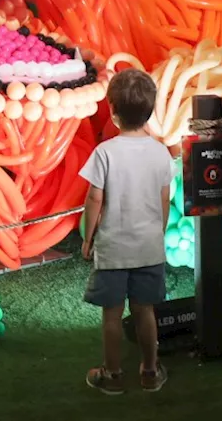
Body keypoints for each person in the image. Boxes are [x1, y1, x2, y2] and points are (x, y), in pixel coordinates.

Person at [80, 68, 175, 396]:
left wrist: (87, 237)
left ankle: (113, 374)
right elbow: (164, 199)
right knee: (145, 311)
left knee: (112, 314)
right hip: (149, 247)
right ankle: (150, 371)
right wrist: (157, 232)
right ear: (150, 111)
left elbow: (95, 199)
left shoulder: (105, 153)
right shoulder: (161, 153)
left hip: (114, 249)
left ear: (112, 111)